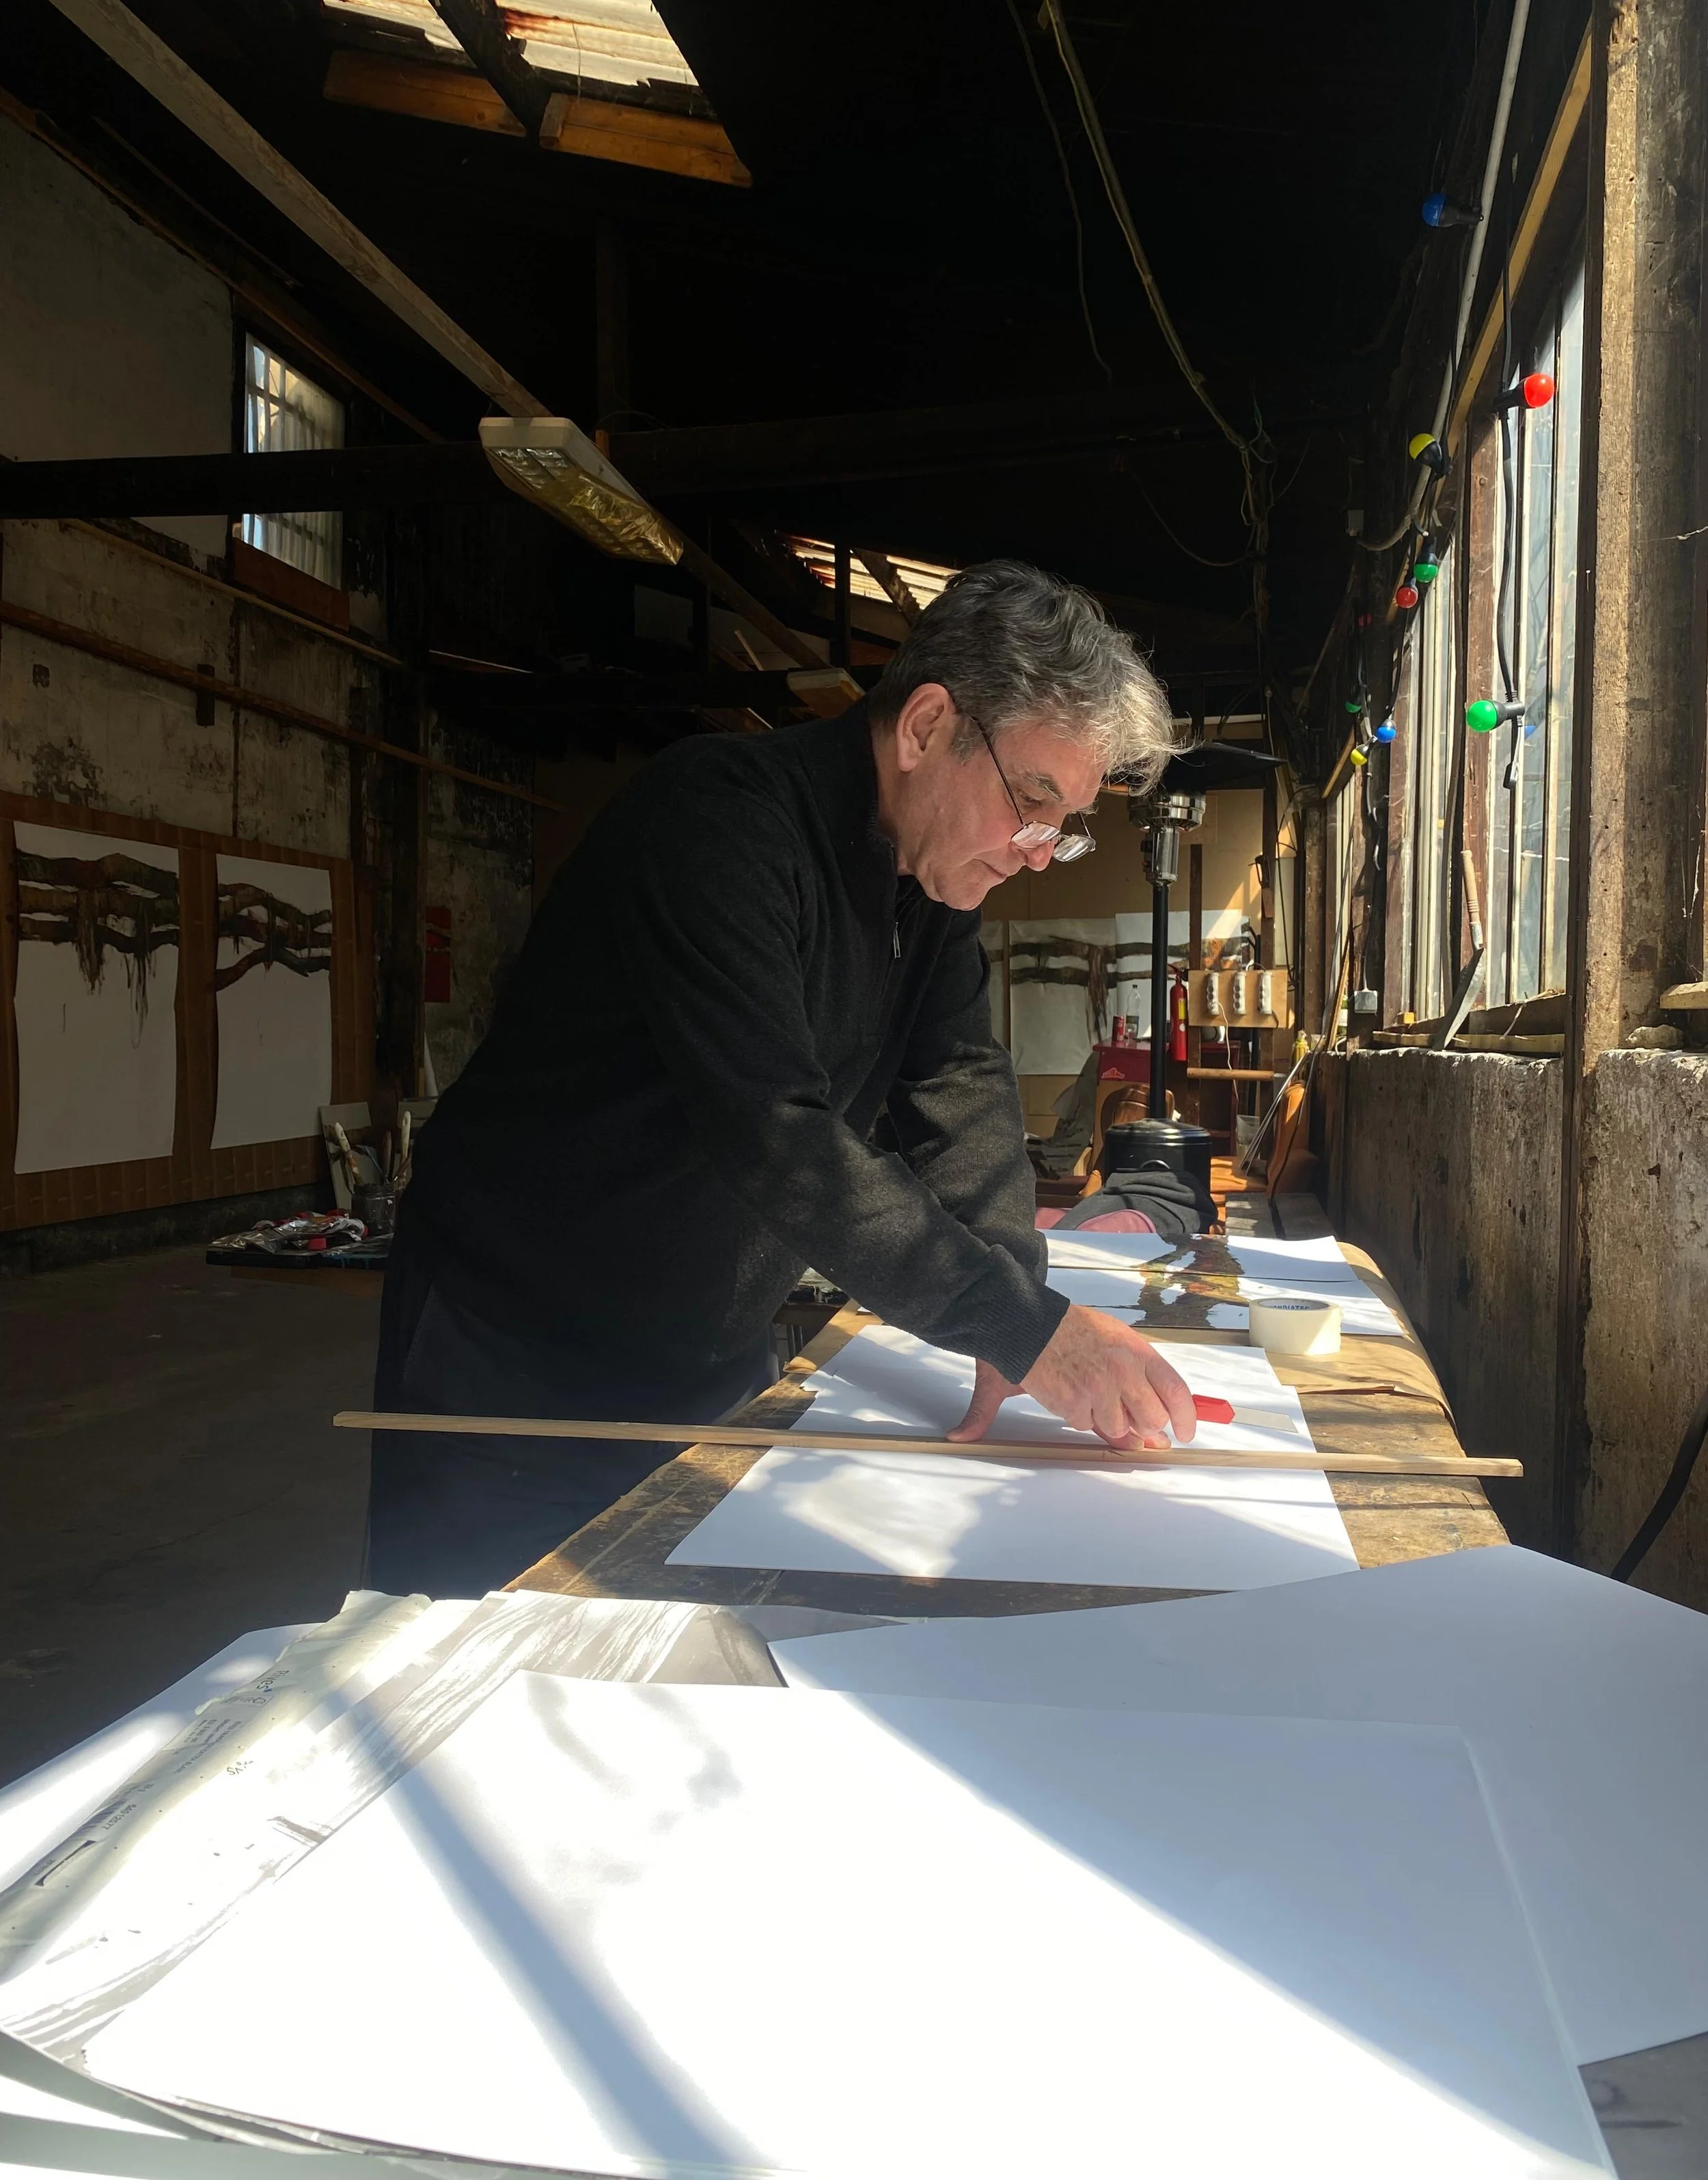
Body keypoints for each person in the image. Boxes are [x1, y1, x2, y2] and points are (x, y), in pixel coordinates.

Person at [368, 559, 1198, 1594]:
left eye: (1063, 826)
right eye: (1032, 801)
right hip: (516, 1338)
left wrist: (1012, 1291)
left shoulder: (934, 886)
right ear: (926, 727)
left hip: (701, 1339)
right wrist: (1029, 1333)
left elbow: (960, 1079)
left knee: (689, 1635)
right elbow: (778, 1137)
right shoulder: (720, 822)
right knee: (471, 1650)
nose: (1038, 850)